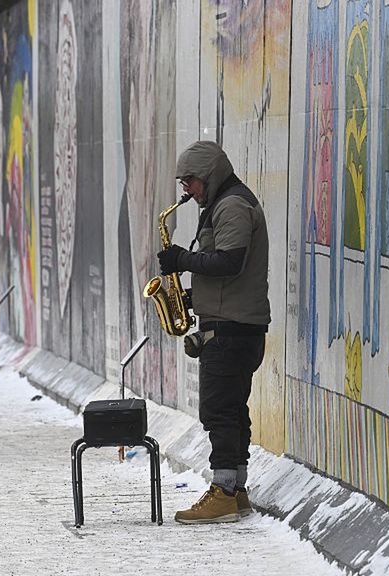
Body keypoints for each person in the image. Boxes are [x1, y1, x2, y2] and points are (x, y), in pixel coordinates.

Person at [157, 141, 270, 524]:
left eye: (190, 181)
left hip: (231, 329)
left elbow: (229, 262)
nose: (187, 190)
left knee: (218, 409)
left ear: (209, 174)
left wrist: (181, 260)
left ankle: (222, 490)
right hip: (234, 323)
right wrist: (190, 298)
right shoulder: (225, 203)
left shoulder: (233, 205)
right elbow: (224, 271)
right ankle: (236, 489)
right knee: (232, 408)